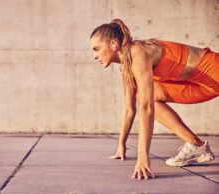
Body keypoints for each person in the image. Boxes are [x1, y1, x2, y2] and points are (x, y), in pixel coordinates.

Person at [89, 18, 217, 180]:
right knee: (150, 95)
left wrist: (143, 157)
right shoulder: (127, 66)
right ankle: (196, 146)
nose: (94, 56)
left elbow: (146, 106)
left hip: (214, 71)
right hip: (202, 86)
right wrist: (121, 145)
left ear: (113, 44)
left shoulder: (137, 52)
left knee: (149, 98)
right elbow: (129, 108)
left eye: (96, 49)